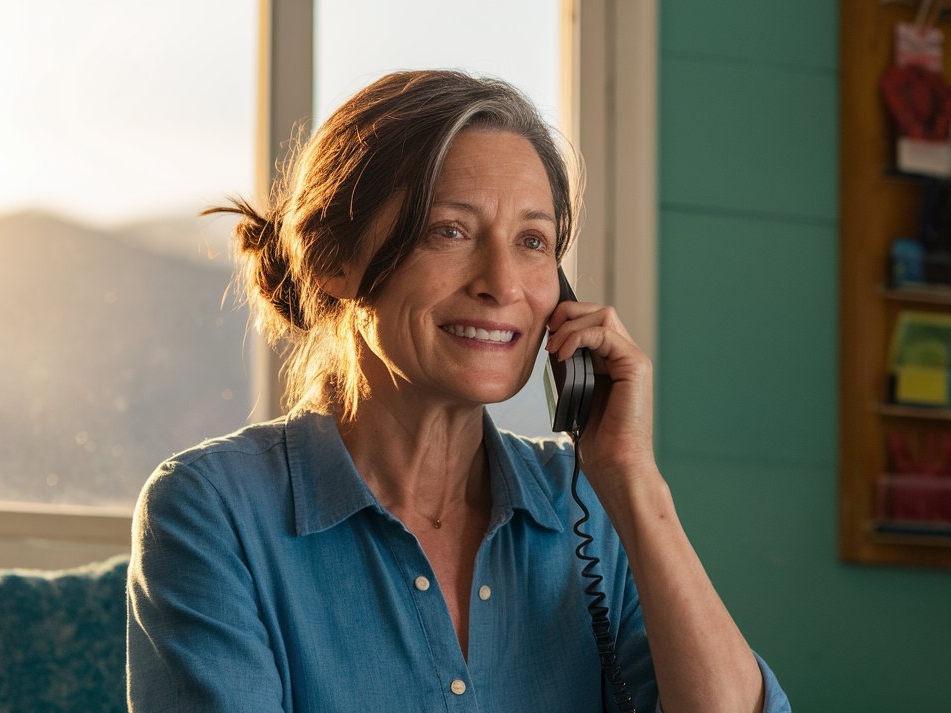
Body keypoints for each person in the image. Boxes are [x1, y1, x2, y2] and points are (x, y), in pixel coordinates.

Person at [126, 69, 791, 713]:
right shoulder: (213, 509)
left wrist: (634, 482)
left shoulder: (584, 500)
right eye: (450, 230)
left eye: (533, 240)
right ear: (331, 257)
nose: (502, 282)